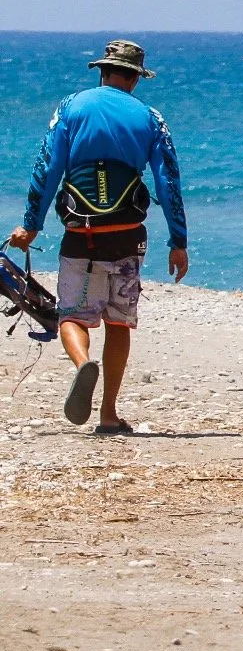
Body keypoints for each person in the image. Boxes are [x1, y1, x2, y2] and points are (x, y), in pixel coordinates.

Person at [8, 40, 189, 434]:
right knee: (119, 324)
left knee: (71, 315)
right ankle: (108, 413)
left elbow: (47, 168)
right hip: (127, 239)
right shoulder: (150, 117)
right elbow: (168, 181)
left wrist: (31, 224)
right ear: (136, 79)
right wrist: (179, 242)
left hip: (81, 234)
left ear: (102, 71)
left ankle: (81, 363)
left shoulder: (72, 107)